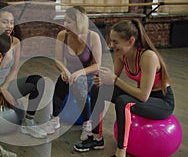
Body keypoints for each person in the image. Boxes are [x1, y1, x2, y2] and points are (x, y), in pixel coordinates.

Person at [73, 19, 175, 157]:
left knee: (123, 101)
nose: (111, 45)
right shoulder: (122, 55)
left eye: (115, 42)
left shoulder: (148, 57)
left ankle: (121, 152)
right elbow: (111, 81)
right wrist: (102, 80)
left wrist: (114, 79)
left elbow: (143, 96)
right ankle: (96, 138)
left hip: (162, 102)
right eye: (111, 41)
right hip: (145, 97)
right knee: (98, 89)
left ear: (130, 41)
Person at [0, 2, 48, 139]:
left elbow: (14, 70)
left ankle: (29, 121)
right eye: (5, 22)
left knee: (37, 81)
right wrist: (0, 91)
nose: (9, 26)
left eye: (12, 22)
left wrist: (6, 88)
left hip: (6, 84)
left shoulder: (16, 42)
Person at [43, 6, 102, 140]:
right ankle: (55, 119)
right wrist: (64, 70)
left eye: (69, 22)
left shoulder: (93, 37)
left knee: (79, 82)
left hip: (89, 76)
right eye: (64, 21)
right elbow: (58, 60)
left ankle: (87, 123)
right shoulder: (62, 35)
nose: (65, 25)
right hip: (70, 74)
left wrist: (80, 72)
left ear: (79, 22)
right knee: (61, 80)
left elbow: (97, 65)